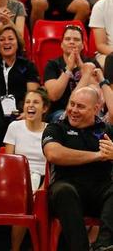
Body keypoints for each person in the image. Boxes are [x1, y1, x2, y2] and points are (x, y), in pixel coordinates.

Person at [42, 86, 113, 251]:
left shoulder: (107, 131)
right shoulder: (56, 127)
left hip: (99, 192)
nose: (73, 110)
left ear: (96, 109)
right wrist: (98, 155)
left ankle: (104, 245)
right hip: (66, 188)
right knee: (64, 191)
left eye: (80, 106)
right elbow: (53, 154)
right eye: (71, 104)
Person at [0, 25, 39, 150]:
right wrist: (1, 25)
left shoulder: (27, 65)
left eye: (11, 39)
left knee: (18, 125)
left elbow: (33, 93)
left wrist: (27, 112)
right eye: (2, 39)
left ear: (17, 42)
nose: (6, 42)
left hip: (19, 111)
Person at [4, 88, 49, 251]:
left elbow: (52, 164)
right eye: (28, 102)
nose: (31, 105)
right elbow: (9, 162)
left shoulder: (50, 130)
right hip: (19, 179)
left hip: (44, 180)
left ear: (44, 108)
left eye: (36, 102)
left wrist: (43, 185)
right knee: (24, 197)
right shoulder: (15, 127)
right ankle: (14, 248)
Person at [44, 24, 101, 121]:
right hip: (59, 111)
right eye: (67, 39)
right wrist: (68, 68)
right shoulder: (52, 64)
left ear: (83, 45)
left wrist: (81, 67)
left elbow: (97, 92)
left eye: (76, 39)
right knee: (61, 117)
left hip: (87, 110)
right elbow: (53, 95)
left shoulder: (91, 63)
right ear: (61, 44)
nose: (71, 42)